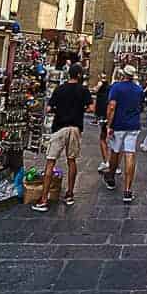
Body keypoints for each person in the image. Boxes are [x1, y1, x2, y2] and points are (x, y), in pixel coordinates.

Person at [33, 63, 93, 212]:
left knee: (50, 162)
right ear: (79, 75)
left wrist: (56, 109)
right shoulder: (83, 90)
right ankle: (70, 194)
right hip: (75, 128)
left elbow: (48, 108)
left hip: (59, 127)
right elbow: (91, 108)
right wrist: (81, 109)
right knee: (71, 161)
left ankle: (44, 199)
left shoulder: (59, 89)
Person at [104, 65, 144, 203]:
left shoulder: (116, 87)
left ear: (123, 75)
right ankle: (127, 190)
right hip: (133, 125)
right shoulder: (139, 89)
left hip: (118, 124)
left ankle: (111, 177)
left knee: (115, 151)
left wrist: (109, 125)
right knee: (130, 154)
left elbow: (112, 106)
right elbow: (140, 106)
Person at [95, 72, 113, 173]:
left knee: (103, 137)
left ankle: (107, 161)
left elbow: (95, 90)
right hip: (110, 115)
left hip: (105, 114)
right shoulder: (112, 87)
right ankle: (114, 164)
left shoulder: (102, 84)